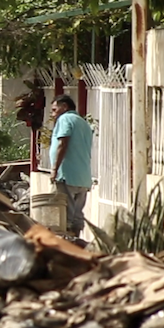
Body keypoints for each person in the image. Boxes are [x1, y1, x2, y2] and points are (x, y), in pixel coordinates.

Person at [49, 94, 93, 237]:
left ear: (64, 107)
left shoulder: (65, 119)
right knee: (76, 216)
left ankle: (67, 246)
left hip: (67, 175)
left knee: (63, 217)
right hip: (83, 178)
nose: (53, 114)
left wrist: (55, 170)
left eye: (54, 110)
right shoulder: (83, 122)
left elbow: (63, 143)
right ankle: (76, 244)